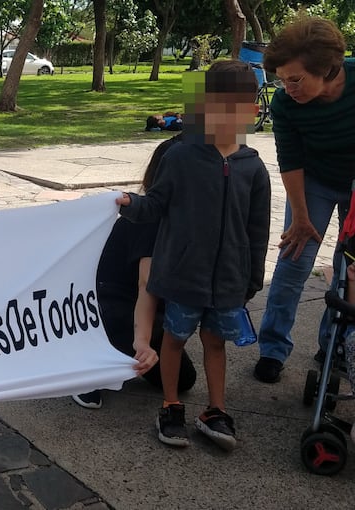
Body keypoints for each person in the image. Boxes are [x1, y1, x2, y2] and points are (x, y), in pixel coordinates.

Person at [117, 60, 271, 450]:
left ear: (251, 111)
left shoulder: (254, 169)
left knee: (215, 343)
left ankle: (215, 410)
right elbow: (155, 205)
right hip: (182, 276)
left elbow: (257, 231)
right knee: (174, 339)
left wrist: (252, 278)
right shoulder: (181, 157)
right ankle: (171, 406)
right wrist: (128, 203)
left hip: (228, 281)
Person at [254, 17, 355, 384]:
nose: (287, 88)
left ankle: (336, 344)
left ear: (328, 68)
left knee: (350, 267)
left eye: (295, 79)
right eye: (281, 79)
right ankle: (273, 348)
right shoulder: (285, 104)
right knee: (294, 260)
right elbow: (290, 159)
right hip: (313, 179)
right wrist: (299, 216)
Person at [72, 134, 197, 410]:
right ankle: (86, 370)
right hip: (112, 306)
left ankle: (128, 349)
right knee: (128, 352)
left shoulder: (189, 215)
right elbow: (146, 285)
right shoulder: (149, 217)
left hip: (149, 309)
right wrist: (144, 341)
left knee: (183, 380)